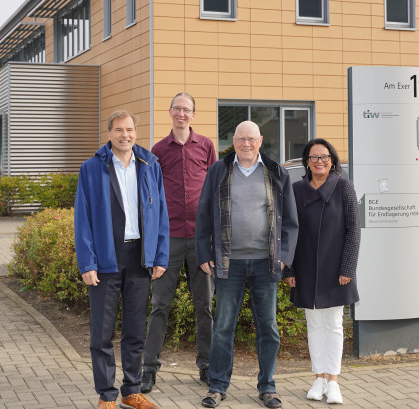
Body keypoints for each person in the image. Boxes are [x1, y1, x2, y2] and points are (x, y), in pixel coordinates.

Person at [195, 120, 299, 409]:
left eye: (251, 139)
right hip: (229, 262)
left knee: (268, 327)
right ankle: (217, 386)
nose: (246, 144)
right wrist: (204, 253)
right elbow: (203, 215)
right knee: (223, 327)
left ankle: (267, 387)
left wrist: (284, 256)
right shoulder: (219, 170)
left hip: (266, 263)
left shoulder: (276, 172)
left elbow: (290, 221)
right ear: (234, 141)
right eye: (241, 139)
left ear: (260, 140)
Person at [74, 110, 169, 409]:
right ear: (109, 133)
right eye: (118, 130)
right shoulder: (92, 169)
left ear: (136, 132)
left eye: (129, 129)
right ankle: (106, 394)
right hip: (106, 258)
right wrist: (87, 263)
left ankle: (131, 390)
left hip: (140, 257)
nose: (124, 135)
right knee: (101, 332)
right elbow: (83, 220)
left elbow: (161, 214)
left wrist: (159, 256)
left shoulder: (150, 165)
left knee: (134, 330)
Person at [141, 93, 216, 392]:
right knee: (160, 305)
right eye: (177, 109)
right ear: (169, 112)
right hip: (169, 239)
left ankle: (208, 366)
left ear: (193, 115)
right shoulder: (157, 150)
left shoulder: (207, 145)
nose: (181, 114)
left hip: (200, 240)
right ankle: (148, 370)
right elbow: (151, 195)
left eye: (187, 110)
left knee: (205, 306)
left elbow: (213, 186)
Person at [284, 138, 360, 405]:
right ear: (307, 161)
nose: (320, 162)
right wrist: (289, 268)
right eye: (314, 157)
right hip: (304, 267)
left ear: (332, 161)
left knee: (334, 324)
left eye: (325, 157)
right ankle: (318, 377)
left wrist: (348, 267)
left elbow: (353, 231)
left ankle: (334, 381)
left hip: (336, 268)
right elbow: (289, 232)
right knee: (314, 324)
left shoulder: (344, 188)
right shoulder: (295, 190)